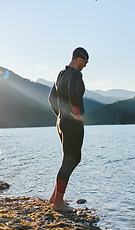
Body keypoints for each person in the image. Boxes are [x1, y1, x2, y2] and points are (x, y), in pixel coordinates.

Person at [48, 47, 89, 210]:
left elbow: (51, 98)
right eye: (86, 62)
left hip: (62, 121)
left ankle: (55, 197)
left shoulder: (61, 74)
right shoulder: (75, 74)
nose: (85, 66)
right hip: (71, 122)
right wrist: (76, 114)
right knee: (71, 159)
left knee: (69, 159)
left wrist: (60, 115)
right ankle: (58, 203)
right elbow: (72, 92)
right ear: (80, 59)